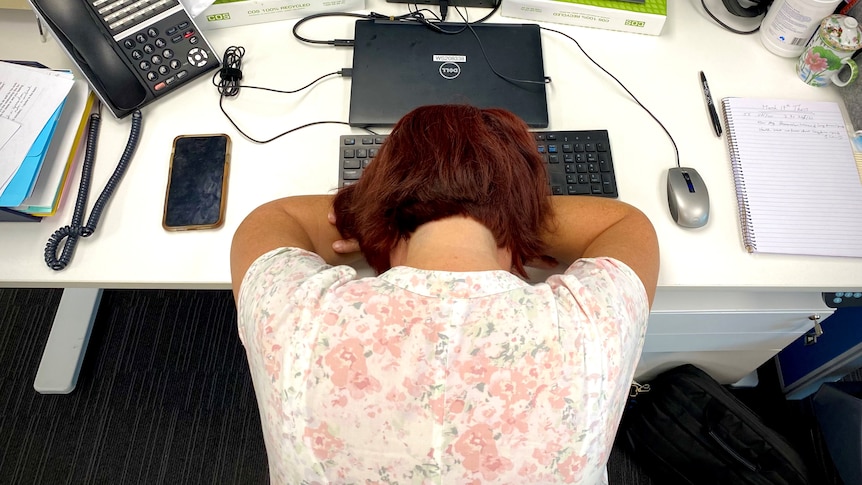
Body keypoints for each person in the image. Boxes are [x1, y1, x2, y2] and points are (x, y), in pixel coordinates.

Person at [230, 105, 659, 484]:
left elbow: (274, 217)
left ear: (386, 225)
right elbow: (624, 224)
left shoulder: (294, 315)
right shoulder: (594, 324)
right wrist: (510, 210)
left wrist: (374, 213)